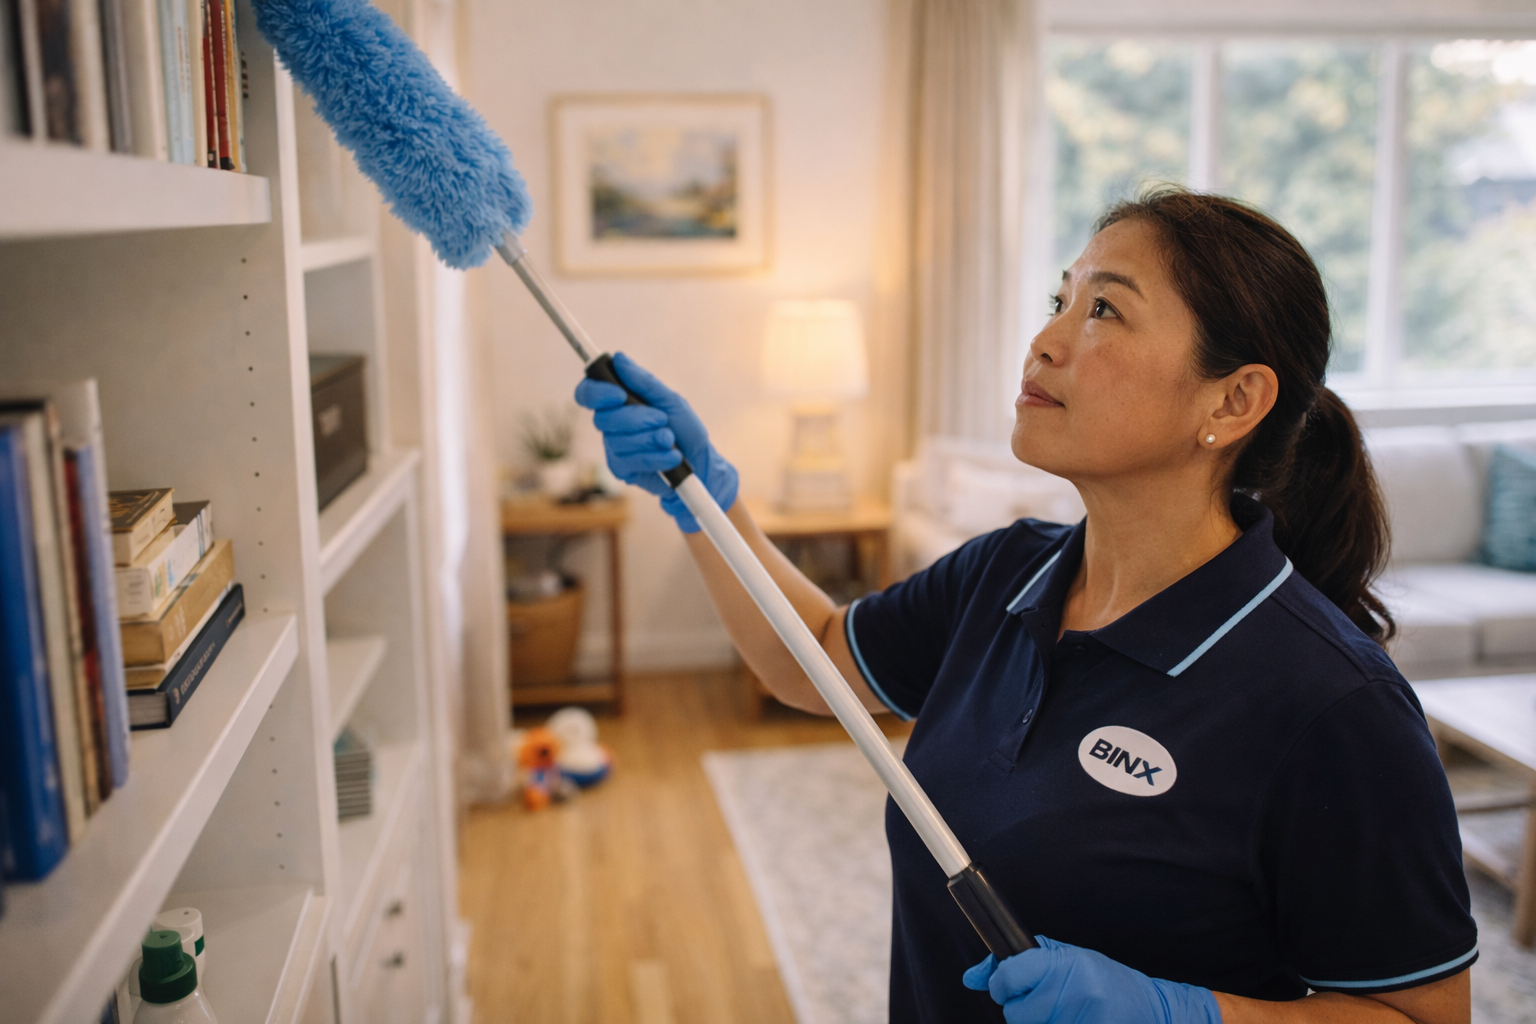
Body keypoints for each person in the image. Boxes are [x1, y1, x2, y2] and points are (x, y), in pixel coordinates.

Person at [575, 188, 1476, 1024]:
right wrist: (703, 496)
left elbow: (1422, 1018)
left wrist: (1183, 1014)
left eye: (1106, 311)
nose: (1045, 343)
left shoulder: (1333, 707)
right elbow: (814, 658)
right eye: (1061, 302)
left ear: (1234, 400)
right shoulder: (1006, 574)